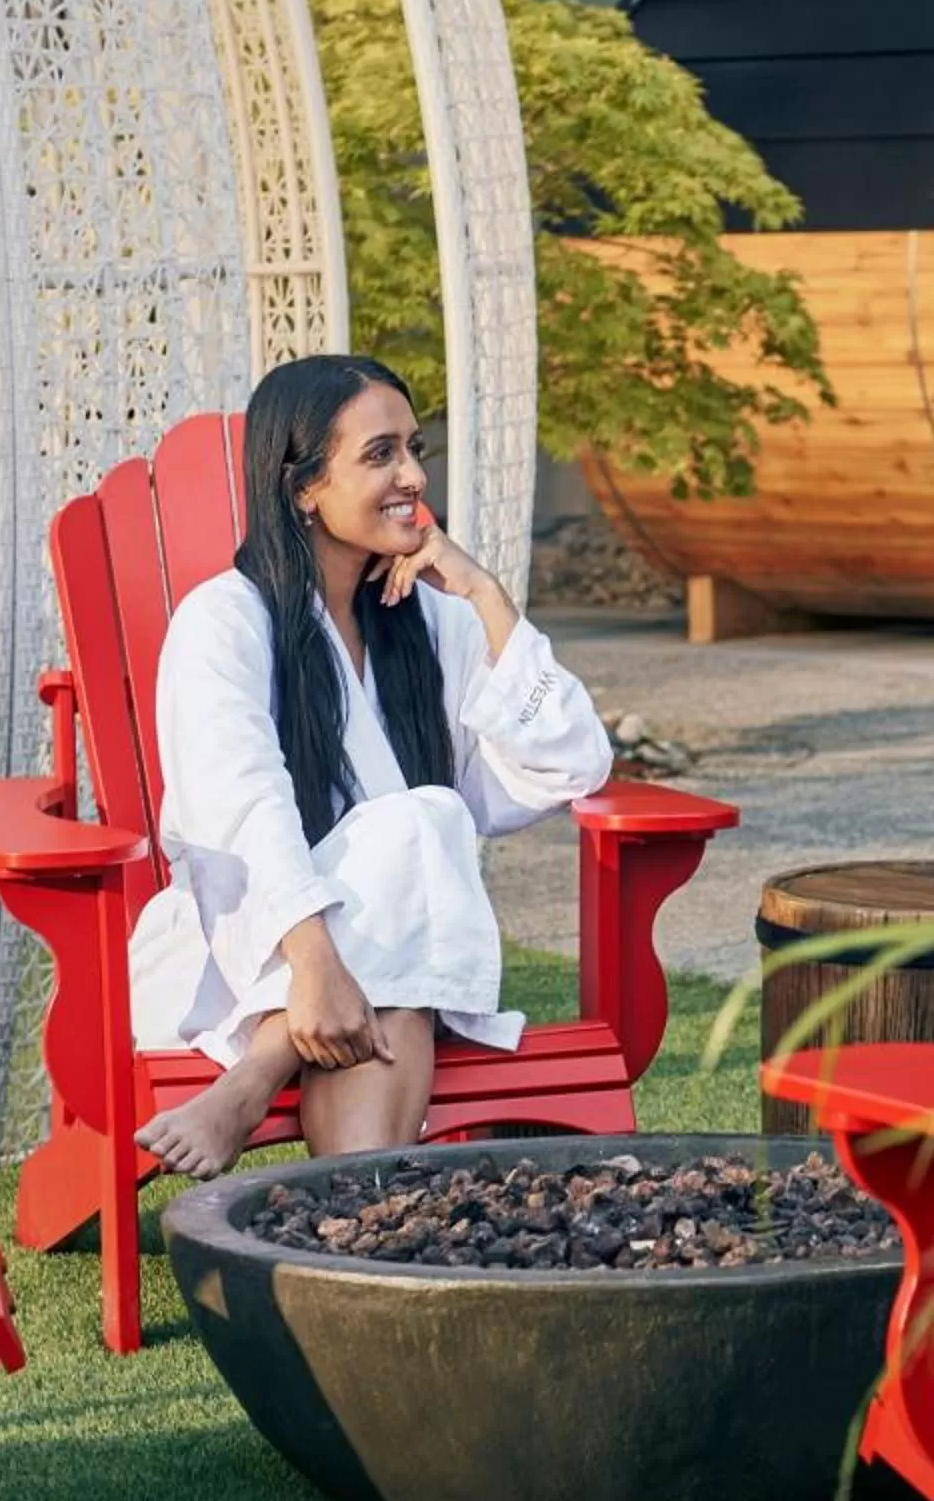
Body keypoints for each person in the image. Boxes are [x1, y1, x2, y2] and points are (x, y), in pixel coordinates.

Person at [128, 353, 612, 1178]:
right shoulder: (225, 622)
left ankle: (260, 1082)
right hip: (245, 946)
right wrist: (313, 961)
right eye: (380, 454)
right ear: (302, 487)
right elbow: (238, 803)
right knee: (420, 829)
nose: (414, 475)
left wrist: (490, 600)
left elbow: (571, 764)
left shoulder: (427, 620)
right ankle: (363, 1237)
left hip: (394, 964)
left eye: (413, 448)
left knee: (422, 826)